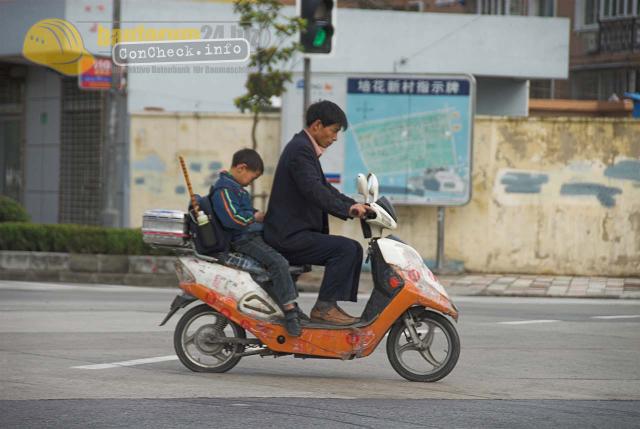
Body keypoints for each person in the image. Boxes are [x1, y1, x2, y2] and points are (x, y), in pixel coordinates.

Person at [264, 100, 370, 326]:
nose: (335, 137)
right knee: (346, 250)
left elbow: (324, 188)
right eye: (333, 131)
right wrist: (348, 209)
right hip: (288, 236)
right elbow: (313, 190)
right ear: (317, 126)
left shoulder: (303, 148)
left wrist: (355, 204)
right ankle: (325, 308)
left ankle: (328, 305)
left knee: (348, 249)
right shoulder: (301, 150)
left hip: (291, 232)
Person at [211, 149, 302, 337]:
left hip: (253, 235)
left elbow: (243, 211)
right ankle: (291, 313)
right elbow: (232, 219)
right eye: (252, 178)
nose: (251, 182)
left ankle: (286, 303)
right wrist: (254, 217)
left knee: (295, 258)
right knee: (278, 263)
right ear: (241, 167)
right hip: (243, 240)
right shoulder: (224, 189)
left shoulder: (235, 188)